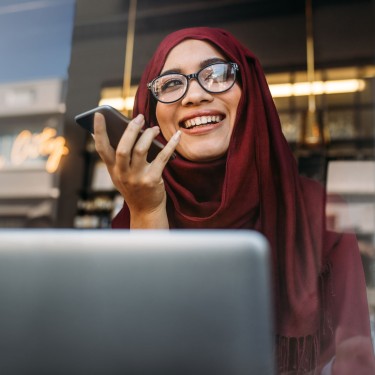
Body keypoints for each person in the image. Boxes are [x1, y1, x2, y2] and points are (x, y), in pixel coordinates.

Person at [93, 27, 375, 374]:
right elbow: (138, 352)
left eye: (217, 74)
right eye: (170, 84)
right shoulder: (133, 216)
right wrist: (148, 210)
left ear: (250, 93)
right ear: (151, 115)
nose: (194, 95)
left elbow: (355, 361)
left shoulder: (316, 210)